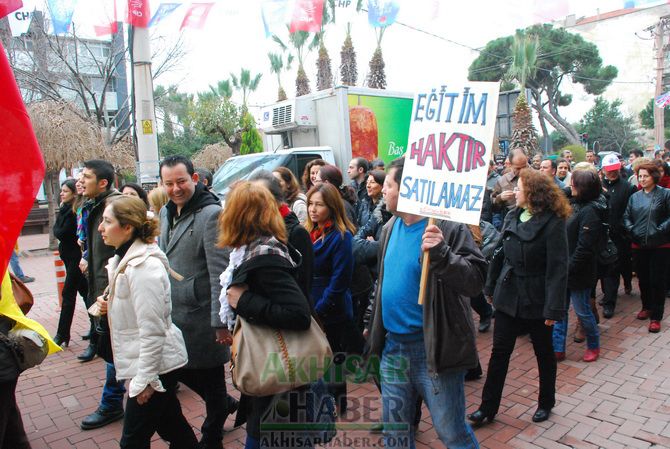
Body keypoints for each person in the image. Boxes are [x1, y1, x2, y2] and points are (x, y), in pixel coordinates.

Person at [366, 157, 486, 449]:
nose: (383, 191)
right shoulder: (389, 228)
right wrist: (372, 320)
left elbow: (475, 280)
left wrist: (443, 254)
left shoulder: (446, 226)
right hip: (393, 348)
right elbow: (383, 282)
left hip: (433, 349)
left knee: (451, 432)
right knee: (396, 434)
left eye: (389, 186)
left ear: (408, 188)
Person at [469, 168, 570, 426]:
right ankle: (487, 408)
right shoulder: (513, 214)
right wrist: (490, 286)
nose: (516, 191)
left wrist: (553, 310)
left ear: (533, 193)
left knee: (543, 353)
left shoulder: (553, 222)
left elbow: (558, 268)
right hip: (509, 294)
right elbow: (500, 253)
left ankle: (546, 402)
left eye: (521, 187)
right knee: (499, 353)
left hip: (537, 298)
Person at [216, 181, 313, 449]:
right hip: (270, 372)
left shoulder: (265, 256)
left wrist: (244, 301)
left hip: (278, 374)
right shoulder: (249, 250)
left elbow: (298, 314)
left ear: (239, 215)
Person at [96, 195, 198, 449]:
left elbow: (153, 331)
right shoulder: (124, 259)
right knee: (174, 429)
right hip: (151, 364)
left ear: (127, 227)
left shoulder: (143, 268)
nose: (100, 228)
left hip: (156, 366)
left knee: (132, 441)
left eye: (107, 222)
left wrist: (145, 380)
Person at [158, 155, 234, 449]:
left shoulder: (211, 214)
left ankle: (212, 436)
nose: (176, 188)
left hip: (203, 317)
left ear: (195, 179)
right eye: (169, 183)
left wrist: (220, 322)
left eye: (181, 181)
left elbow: (219, 273)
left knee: (212, 383)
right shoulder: (166, 213)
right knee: (182, 375)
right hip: (175, 316)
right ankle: (224, 406)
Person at [78, 160, 127, 431]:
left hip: (116, 291)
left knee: (114, 351)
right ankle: (216, 396)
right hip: (101, 287)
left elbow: (127, 250)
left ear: (104, 182)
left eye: (86, 177)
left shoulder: (116, 206)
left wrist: (110, 290)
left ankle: (110, 404)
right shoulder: (93, 205)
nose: (80, 181)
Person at [306, 183, 357, 412]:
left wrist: (320, 310)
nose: (313, 209)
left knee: (335, 356)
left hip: (332, 309)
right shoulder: (308, 232)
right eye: (310, 204)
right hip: (311, 305)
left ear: (332, 206)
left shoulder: (341, 237)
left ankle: (340, 401)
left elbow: (340, 281)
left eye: (319, 204)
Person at [552, 170, 604, 362]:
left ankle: (593, 344)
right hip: (563, 268)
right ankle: (557, 347)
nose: (570, 186)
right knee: (559, 310)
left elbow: (584, 248)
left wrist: (568, 268)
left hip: (579, 272)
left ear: (583, 188)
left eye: (574, 183)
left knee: (582, 310)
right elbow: (558, 193)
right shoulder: (571, 203)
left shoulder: (590, 211)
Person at [248, 170, 314, 300]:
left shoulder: (297, 233)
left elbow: (303, 287)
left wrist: (247, 300)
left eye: (258, 197)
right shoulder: (258, 229)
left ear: (272, 198)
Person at [623, 162, 670, 333]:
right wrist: (631, 230)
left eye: (646, 176)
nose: (642, 179)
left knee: (658, 280)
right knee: (643, 279)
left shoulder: (666, 194)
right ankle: (646, 306)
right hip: (638, 244)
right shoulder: (635, 197)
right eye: (640, 176)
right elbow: (626, 216)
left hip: (660, 245)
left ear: (654, 177)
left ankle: (656, 316)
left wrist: (659, 230)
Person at [52, 179, 89, 347]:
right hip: (67, 257)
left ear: (74, 194)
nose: (62, 193)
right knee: (85, 292)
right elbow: (57, 231)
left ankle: (62, 334)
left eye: (65, 191)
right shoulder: (64, 209)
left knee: (68, 294)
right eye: (61, 190)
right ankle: (98, 328)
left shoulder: (77, 212)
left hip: (76, 258)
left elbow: (62, 232)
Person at [600, 154, 637, 317]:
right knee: (605, 269)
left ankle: (617, 292)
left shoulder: (628, 188)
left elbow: (631, 212)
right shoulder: (597, 187)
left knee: (618, 267)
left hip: (619, 236)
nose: (612, 173)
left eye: (615, 170)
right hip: (601, 235)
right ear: (602, 170)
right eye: (609, 171)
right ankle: (608, 298)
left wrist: (624, 228)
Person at [491, 149, 529, 214]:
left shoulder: (537, 177)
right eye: (518, 168)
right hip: (512, 219)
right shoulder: (502, 181)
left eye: (524, 167)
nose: (522, 171)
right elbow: (493, 207)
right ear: (510, 165)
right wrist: (500, 198)